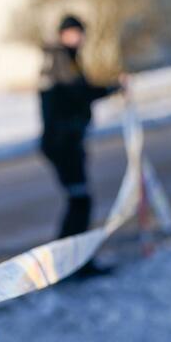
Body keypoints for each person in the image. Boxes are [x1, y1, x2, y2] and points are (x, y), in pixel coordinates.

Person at [38, 15, 118, 271]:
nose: (77, 38)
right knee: (80, 202)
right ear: (62, 35)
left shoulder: (66, 59)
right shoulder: (60, 60)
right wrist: (111, 89)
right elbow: (78, 93)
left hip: (68, 141)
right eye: (72, 33)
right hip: (64, 144)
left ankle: (67, 261)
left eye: (80, 32)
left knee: (78, 201)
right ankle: (73, 262)